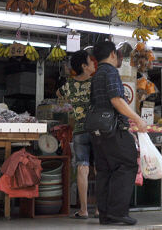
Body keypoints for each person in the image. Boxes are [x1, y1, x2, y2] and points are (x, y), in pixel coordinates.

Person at [90, 41, 147, 226]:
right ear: (113, 54)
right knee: (127, 164)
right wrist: (137, 118)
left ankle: (105, 214)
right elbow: (116, 99)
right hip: (113, 129)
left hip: (98, 131)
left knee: (105, 170)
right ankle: (118, 212)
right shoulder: (111, 72)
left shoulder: (97, 74)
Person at [57, 50, 96, 219]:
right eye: (90, 61)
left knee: (82, 167)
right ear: (84, 66)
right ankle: (100, 209)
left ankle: (84, 210)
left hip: (80, 130)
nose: (94, 64)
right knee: (100, 168)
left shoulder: (68, 85)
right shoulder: (95, 82)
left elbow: (58, 94)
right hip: (97, 130)